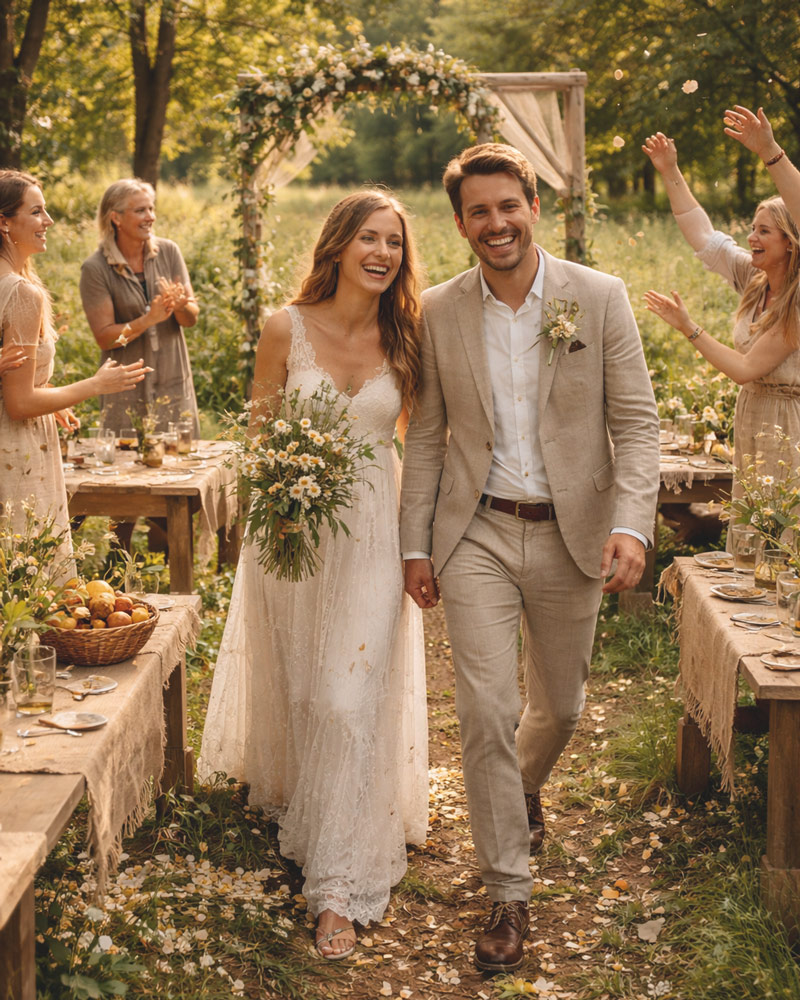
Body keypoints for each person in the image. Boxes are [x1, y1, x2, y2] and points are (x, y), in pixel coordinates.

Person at [400, 144, 660, 972]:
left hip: (572, 531)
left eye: (508, 206)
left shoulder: (598, 296)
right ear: (460, 223)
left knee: (565, 705)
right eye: (479, 211)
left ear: (533, 206)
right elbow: (428, 437)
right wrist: (416, 544)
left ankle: (520, 792)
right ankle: (507, 890)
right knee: (483, 706)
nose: (496, 223)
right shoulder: (438, 311)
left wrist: (633, 523)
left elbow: (640, 425)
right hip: (474, 531)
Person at [199, 190, 429, 960]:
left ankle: (335, 890)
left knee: (344, 697)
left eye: (394, 241)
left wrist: (423, 545)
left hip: (373, 533)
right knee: (305, 689)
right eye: (369, 236)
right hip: (292, 540)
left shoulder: (408, 337)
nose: (383, 252)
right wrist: (280, 503)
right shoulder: (283, 328)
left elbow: (422, 448)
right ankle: (319, 808)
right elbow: (258, 437)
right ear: (338, 245)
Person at [643, 106, 800, 489]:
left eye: (764, 231)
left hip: (790, 425)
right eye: (751, 229)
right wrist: (670, 171)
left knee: (780, 532)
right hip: (752, 416)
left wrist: (770, 152)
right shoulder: (754, 277)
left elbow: (745, 368)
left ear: (790, 242)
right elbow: (702, 234)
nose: (751, 239)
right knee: (750, 528)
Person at [0, 170, 151, 566]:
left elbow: (14, 387)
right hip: (15, 450)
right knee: (26, 576)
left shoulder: (18, 284)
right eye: (36, 211)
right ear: (4, 222)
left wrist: (54, 399)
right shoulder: (20, 293)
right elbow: (18, 403)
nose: (48, 221)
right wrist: (96, 384)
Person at [79, 178, 200, 435]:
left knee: (181, 461)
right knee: (126, 466)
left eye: (151, 209)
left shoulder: (169, 252)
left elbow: (190, 319)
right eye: (140, 210)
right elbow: (105, 339)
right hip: (125, 389)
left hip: (173, 380)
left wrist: (180, 306)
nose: (150, 217)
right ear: (116, 218)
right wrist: (148, 319)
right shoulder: (95, 268)